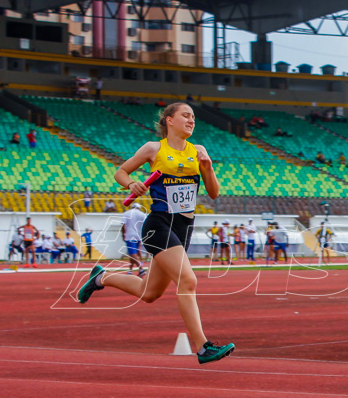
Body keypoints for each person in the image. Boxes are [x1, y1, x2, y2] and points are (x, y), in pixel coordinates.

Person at [75, 102, 235, 365]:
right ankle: (204, 347)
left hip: (184, 227)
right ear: (169, 120)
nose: (191, 120)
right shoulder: (154, 148)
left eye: (193, 117)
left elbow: (214, 192)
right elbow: (121, 171)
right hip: (158, 225)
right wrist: (132, 184)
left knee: (149, 292)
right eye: (185, 115)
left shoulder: (199, 151)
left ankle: (101, 277)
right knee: (189, 281)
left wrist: (208, 166)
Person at [121, 202, 147, 275]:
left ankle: (141, 269)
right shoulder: (142, 214)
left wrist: (123, 235)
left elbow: (123, 225)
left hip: (130, 235)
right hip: (138, 236)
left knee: (132, 253)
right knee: (133, 253)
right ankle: (130, 270)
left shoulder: (127, 213)